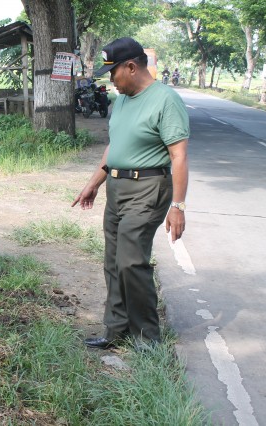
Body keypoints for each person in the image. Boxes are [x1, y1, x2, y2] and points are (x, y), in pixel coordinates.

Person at [72, 37, 189, 349]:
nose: (111, 80)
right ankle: (116, 329)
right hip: (117, 186)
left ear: (132, 67)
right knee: (113, 260)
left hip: (148, 187)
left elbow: (178, 155)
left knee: (131, 260)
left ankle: (146, 336)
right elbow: (115, 145)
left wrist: (178, 205)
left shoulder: (165, 100)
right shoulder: (121, 100)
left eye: (113, 72)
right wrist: (94, 182)